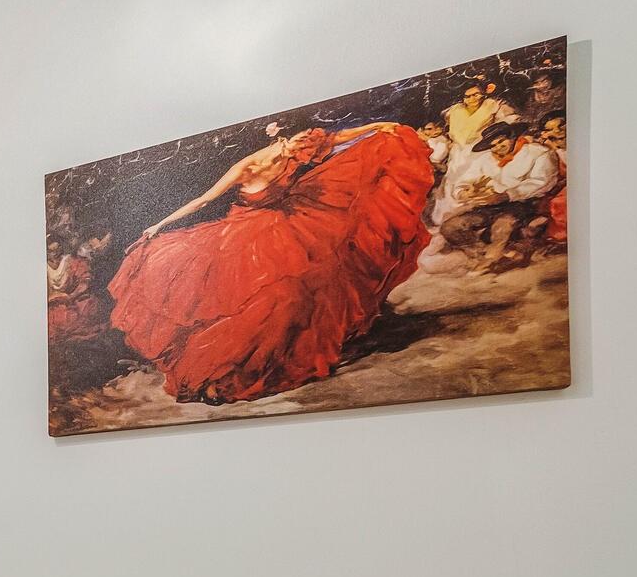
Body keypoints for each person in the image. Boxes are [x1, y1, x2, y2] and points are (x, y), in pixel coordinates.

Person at [106, 122, 433, 405]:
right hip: (244, 232)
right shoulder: (247, 167)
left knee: (313, 278)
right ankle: (226, 369)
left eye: (301, 143)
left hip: (288, 221)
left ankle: (285, 355)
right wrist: (160, 224)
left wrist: (378, 128)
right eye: (296, 142)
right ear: (278, 137)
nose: (300, 150)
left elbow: (337, 138)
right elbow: (203, 200)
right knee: (247, 301)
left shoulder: (301, 145)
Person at [439, 121, 561, 271]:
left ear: (512, 137)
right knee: (450, 227)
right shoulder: (484, 159)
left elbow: (542, 182)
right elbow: (463, 181)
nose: (498, 147)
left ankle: (492, 259)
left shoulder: (538, 153)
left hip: (525, 204)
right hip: (490, 205)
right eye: (493, 145)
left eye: (501, 141)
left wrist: (507, 195)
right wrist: (464, 192)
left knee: (501, 227)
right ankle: (490, 254)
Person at [436, 82, 519, 222]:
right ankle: (445, 217)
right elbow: (451, 130)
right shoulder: (454, 110)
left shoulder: (493, 105)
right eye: (467, 96)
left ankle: (472, 215)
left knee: (474, 181)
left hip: (481, 151)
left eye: (476, 94)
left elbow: (510, 120)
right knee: (452, 182)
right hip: (458, 152)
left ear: (483, 93)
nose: (472, 99)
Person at [538, 112, 568, 245]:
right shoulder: (551, 150)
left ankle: (562, 235)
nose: (558, 131)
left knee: (559, 202)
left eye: (561, 126)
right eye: (551, 129)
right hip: (561, 183)